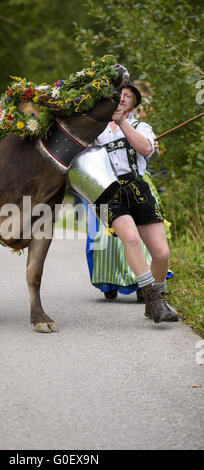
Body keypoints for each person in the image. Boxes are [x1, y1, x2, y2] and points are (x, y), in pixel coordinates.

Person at [90, 80, 178, 323]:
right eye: (119, 94)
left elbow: (147, 149)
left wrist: (122, 123)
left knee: (161, 253)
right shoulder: (97, 131)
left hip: (138, 189)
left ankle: (155, 300)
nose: (122, 97)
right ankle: (153, 300)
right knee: (130, 238)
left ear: (133, 103)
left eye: (128, 95)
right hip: (109, 191)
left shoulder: (141, 126)